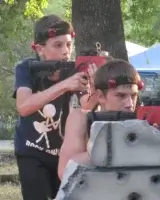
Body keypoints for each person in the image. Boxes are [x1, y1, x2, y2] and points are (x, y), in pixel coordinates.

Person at [13, 14, 95, 200]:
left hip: (63, 153)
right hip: (31, 151)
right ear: (40, 49)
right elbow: (24, 106)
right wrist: (65, 85)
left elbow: (86, 106)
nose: (66, 51)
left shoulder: (74, 69)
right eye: (58, 45)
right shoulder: (26, 68)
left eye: (69, 44)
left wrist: (95, 90)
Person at [57, 59, 144, 179]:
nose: (130, 104)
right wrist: (110, 148)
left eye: (133, 96)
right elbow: (65, 170)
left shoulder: (141, 122)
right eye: (121, 95)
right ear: (100, 96)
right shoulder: (81, 119)